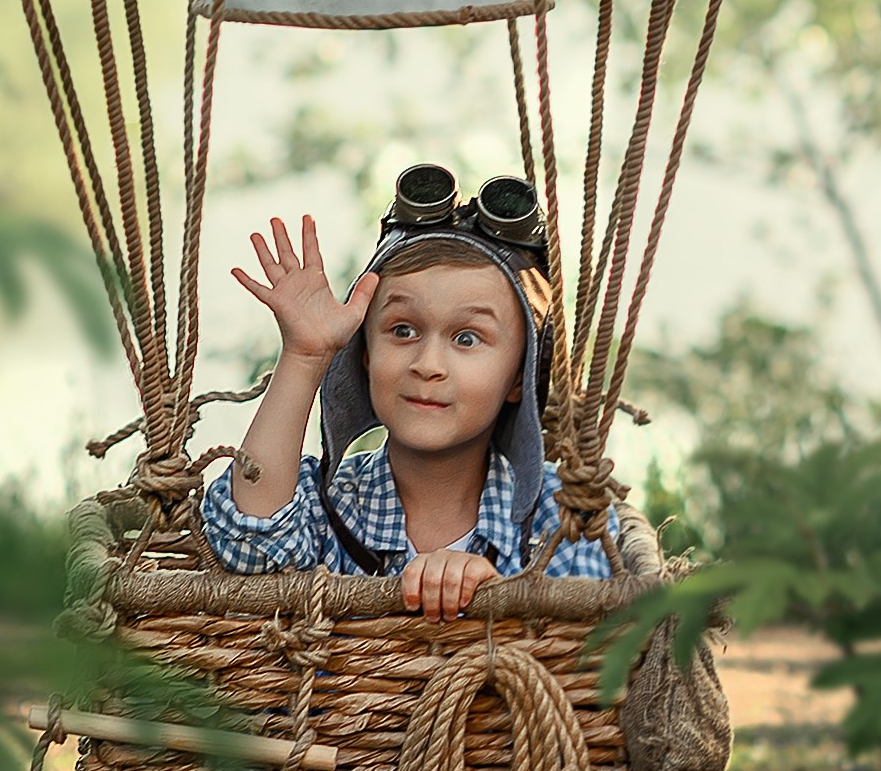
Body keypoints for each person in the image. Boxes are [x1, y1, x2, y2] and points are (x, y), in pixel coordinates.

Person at [199, 165, 615, 619]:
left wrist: (507, 602)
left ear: (519, 376)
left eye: (467, 338)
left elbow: (592, 650)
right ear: (365, 355)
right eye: (402, 330)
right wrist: (305, 356)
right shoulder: (331, 502)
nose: (427, 365)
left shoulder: (563, 519)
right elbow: (251, 545)